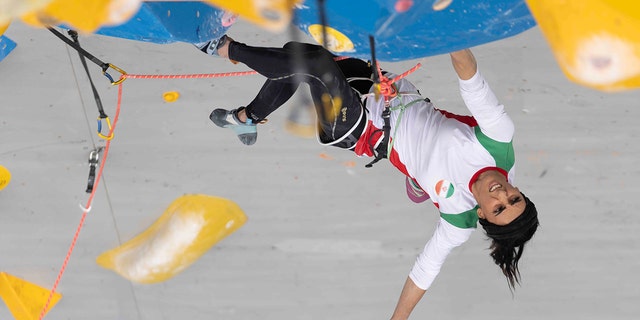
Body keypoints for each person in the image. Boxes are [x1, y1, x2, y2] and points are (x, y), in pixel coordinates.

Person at [196, 35, 540, 319]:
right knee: (295, 55)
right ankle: (247, 118)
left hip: (362, 129)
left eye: (498, 208)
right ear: (519, 191)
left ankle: (220, 47)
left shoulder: (459, 219)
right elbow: (470, 79)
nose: (501, 195)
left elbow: (425, 271)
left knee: (314, 66)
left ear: (482, 214)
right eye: (514, 199)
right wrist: (451, 32)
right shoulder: (498, 141)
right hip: (383, 90)